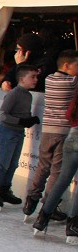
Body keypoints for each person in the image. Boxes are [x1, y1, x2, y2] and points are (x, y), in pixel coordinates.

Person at [23, 50, 78, 220]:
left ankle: (31, 199)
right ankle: (49, 205)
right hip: (63, 131)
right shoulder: (72, 82)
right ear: (67, 66)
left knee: (43, 166)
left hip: (48, 130)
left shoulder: (49, 79)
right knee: (57, 171)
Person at [0, 65, 40, 211]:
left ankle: (4, 189)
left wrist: (29, 119)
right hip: (8, 131)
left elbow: (22, 113)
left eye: (36, 77)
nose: (35, 80)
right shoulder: (14, 93)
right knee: (4, 163)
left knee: (13, 163)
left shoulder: (28, 95)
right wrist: (21, 121)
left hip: (18, 132)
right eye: (32, 77)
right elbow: (3, 115)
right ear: (21, 79)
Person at [31, 90, 78, 240]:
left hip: (72, 136)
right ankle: (73, 225)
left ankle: (42, 219)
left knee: (62, 180)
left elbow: (69, 115)